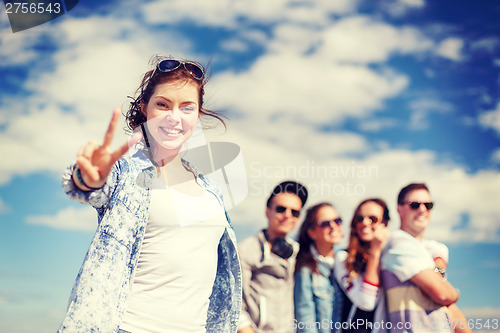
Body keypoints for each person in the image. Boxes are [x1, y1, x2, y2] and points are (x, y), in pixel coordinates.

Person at [58, 56, 241, 332]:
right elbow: (93, 188)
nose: (174, 117)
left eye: (187, 107)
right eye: (163, 105)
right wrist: (88, 179)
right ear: (145, 108)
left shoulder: (211, 191)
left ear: (198, 114)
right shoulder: (126, 172)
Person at [381, 183, 460, 333]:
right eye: (415, 205)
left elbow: (439, 250)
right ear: (399, 209)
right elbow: (444, 294)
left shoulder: (429, 248)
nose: (423, 209)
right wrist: (455, 294)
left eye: (428, 205)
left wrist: (438, 269)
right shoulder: (398, 244)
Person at [238, 181, 308, 333]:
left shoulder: (297, 251)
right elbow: (233, 301)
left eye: (294, 212)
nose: (287, 215)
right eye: (281, 209)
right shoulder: (246, 249)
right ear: (267, 212)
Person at [334, 198, 390, 333]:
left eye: (373, 219)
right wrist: (375, 251)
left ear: (385, 223)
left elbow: (434, 248)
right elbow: (367, 302)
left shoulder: (390, 256)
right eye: (360, 218)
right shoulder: (343, 258)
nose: (365, 223)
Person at [294, 202, 344, 333]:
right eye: (325, 223)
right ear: (312, 232)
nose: (333, 226)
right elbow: (305, 321)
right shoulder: (305, 269)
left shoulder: (346, 263)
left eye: (337, 221)